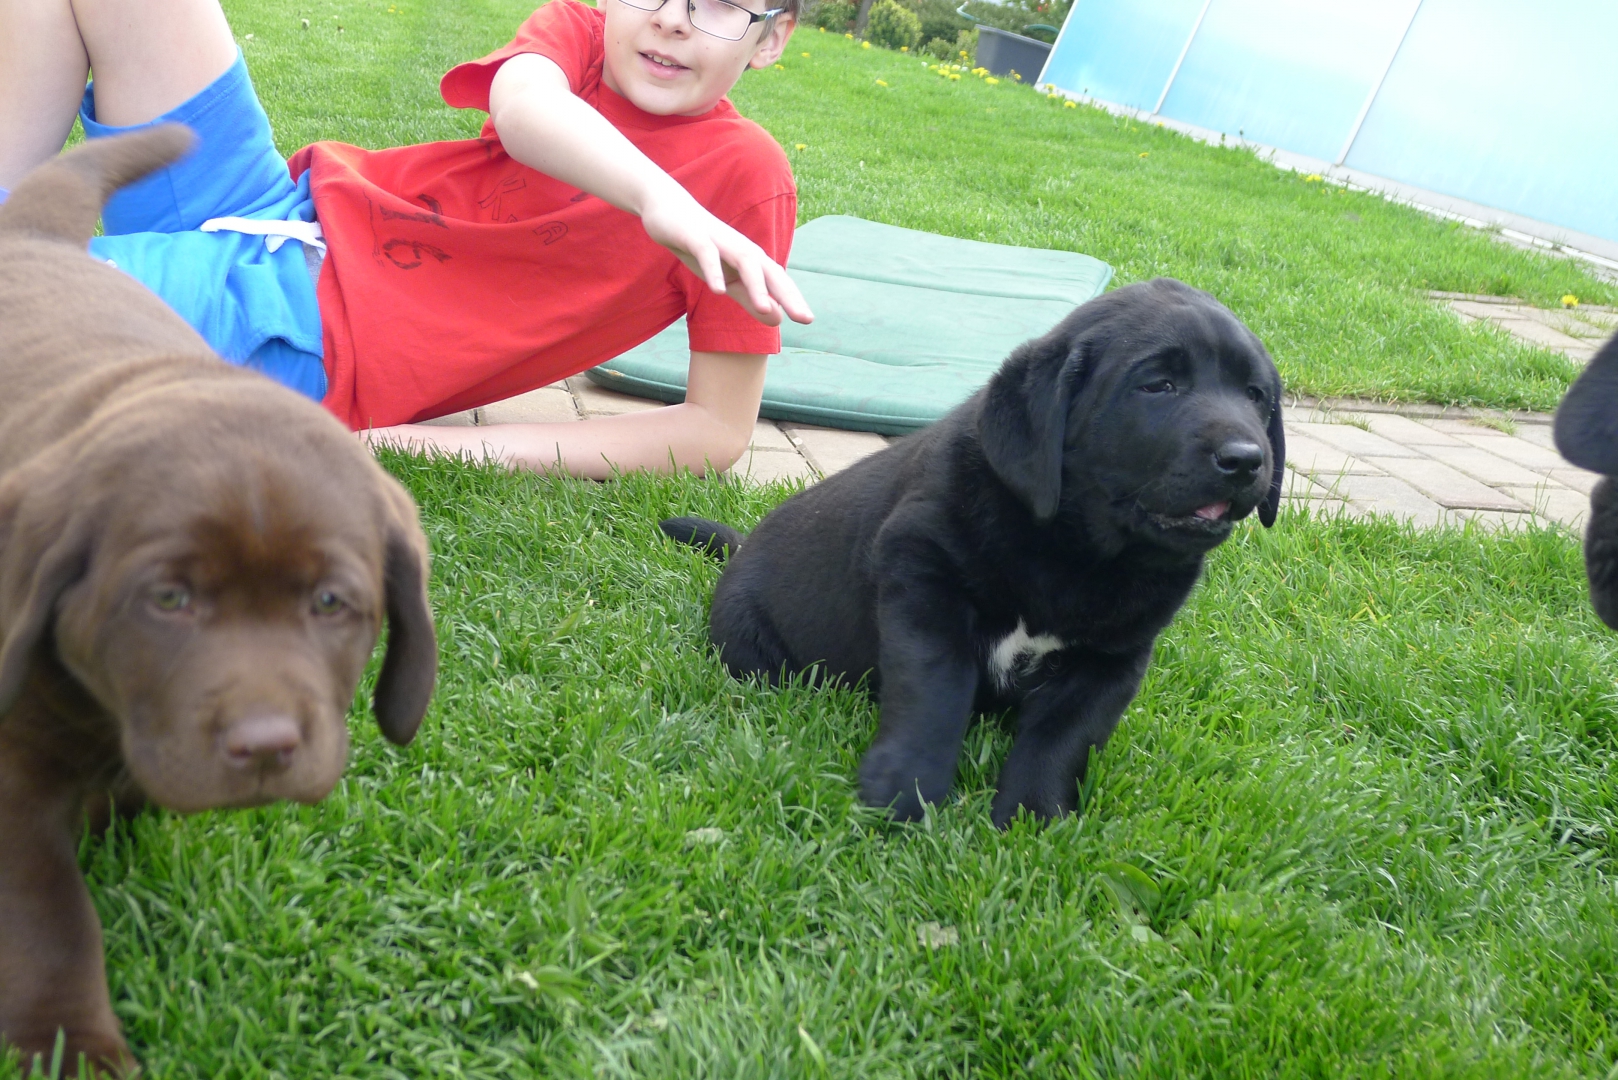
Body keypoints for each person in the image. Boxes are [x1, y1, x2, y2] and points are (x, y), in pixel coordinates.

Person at [0, 0, 812, 479]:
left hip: (308, 328)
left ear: (772, 37)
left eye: (719, 3)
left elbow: (716, 430)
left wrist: (442, 448)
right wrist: (654, 197)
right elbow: (524, 110)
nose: (670, 18)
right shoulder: (583, 34)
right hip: (273, 207)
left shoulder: (743, 175)